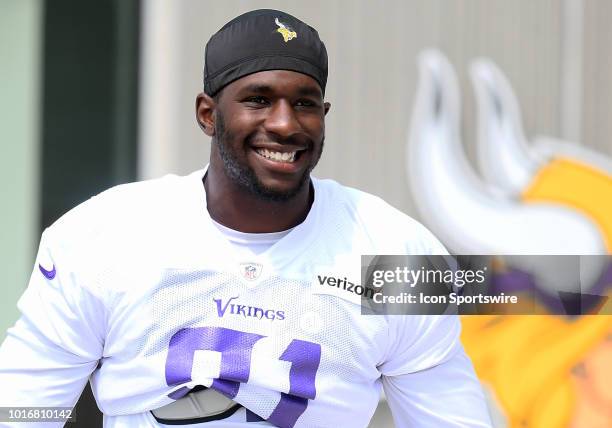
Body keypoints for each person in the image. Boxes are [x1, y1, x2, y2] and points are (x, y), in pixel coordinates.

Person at [0, 9, 492, 428]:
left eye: (305, 104)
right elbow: (22, 408)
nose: (284, 124)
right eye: (258, 99)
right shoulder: (106, 234)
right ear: (208, 114)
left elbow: (450, 417)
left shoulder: (394, 250)